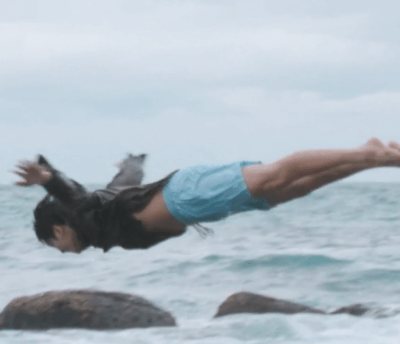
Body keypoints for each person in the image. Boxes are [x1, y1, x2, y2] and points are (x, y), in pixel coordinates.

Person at [14, 138, 400, 254]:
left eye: (53, 243)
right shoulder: (101, 219)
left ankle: (371, 154)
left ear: (59, 228)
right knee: (289, 190)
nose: (61, 251)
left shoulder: (83, 213)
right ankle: (370, 160)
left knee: (275, 176)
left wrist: (47, 177)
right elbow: (127, 178)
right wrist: (131, 162)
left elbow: (71, 193)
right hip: (197, 206)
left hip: (187, 195)